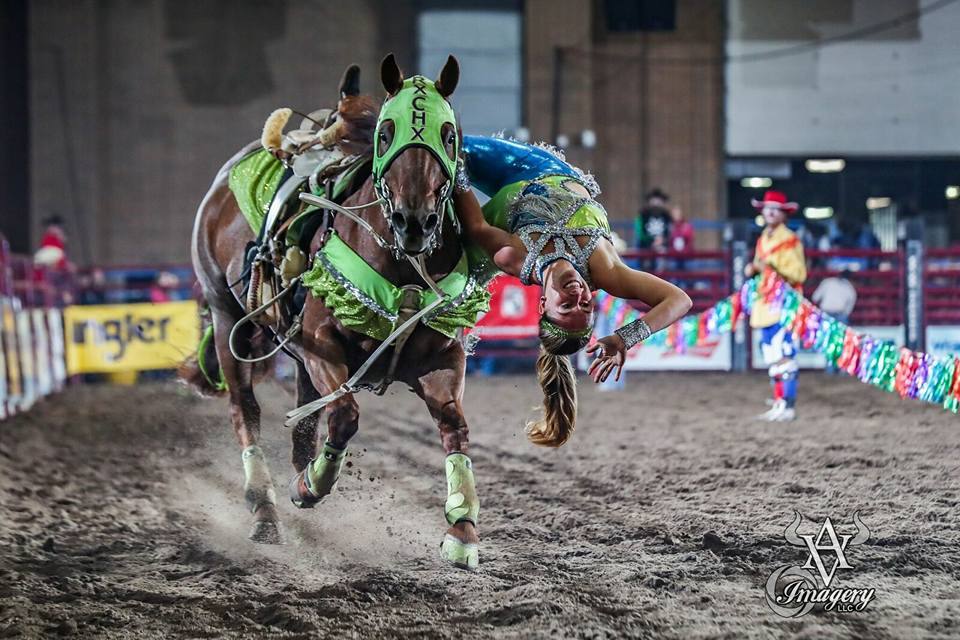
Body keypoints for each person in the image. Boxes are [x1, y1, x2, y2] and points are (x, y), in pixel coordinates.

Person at [455, 135, 692, 447]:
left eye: (567, 308)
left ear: (542, 305)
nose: (579, 298)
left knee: (441, 150)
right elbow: (679, 300)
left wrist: (455, 169)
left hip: (504, 204)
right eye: (586, 307)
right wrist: (624, 338)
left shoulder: (515, 257)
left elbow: (477, 228)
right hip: (542, 169)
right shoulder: (605, 271)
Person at [744, 190, 807, 422]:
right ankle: (780, 403)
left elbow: (799, 273)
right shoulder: (763, 239)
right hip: (765, 304)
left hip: (783, 304)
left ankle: (788, 405)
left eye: (775, 209)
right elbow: (761, 267)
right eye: (767, 208)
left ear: (783, 214)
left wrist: (767, 268)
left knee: (785, 356)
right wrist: (754, 270)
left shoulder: (789, 239)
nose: (769, 212)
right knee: (773, 358)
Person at [812, 270, 857, 374]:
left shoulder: (827, 282)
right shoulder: (850, 288)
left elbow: (815, 297)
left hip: (827, 314)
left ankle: (830, 368)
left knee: (829, 341)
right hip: (840, 315)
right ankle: (842, 369)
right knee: (842, 342)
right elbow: (849, 307)